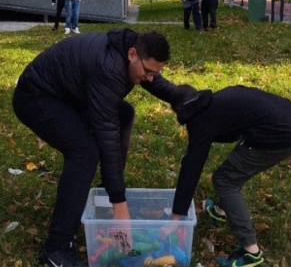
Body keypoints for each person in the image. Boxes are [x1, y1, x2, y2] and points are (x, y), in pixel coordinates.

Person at [12, 28, 177, 267]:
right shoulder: (108, 69)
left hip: (68, 94)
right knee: (84, 153)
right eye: (148, 71)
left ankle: (103, 197)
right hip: (36, 97)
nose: (150, 78)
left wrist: (183, 98)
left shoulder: (130, 50)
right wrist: (120, 208)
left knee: (124, 113)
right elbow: (107, 137)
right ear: (132, 54)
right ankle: (56, 248)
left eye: (154, 72)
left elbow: (154, 80)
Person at [166, 84, 291, 267]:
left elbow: (191, 168)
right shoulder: (220, 100)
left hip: (280, 137)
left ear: (178, 110)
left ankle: (251, 252)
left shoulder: (200, 120)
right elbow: (274, 107)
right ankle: (221, 211)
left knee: (225, 180)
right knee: (233, 170)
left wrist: (176, 217)